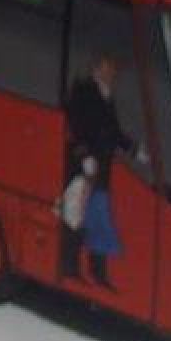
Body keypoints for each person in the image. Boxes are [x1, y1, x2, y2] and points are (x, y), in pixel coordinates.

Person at [62, 53, 139, 289]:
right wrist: (84, 155)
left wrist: (134, 149)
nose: (110, 74)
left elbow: (112, 130)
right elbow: (74, 124)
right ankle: (70, 268)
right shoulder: (83, 90)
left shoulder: (107, 94)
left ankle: (98, 273)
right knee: (76, 216)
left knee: (98, 218)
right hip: (82, 168)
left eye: (113, 70)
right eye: (106, 68)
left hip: (102, 169)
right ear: (96, 68)